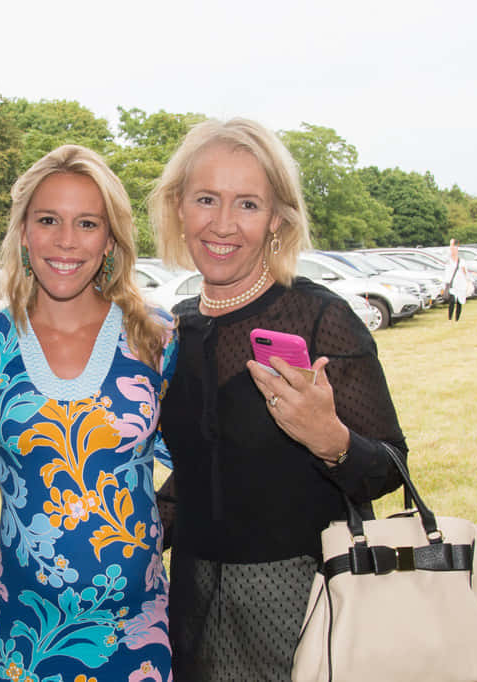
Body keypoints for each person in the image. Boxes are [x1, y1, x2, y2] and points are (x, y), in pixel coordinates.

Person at [148, 118, 407, 680]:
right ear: (178, 208)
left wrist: (331, 440)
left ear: (277, 220)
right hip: (192, 609)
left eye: (247, 204)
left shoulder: (320, 319)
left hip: (301, 604)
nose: (222, 224)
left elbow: (390, 468)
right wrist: (128, 538)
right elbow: (199, 475)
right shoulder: (178, 330)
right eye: (206, 199)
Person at [0, 145, 177, 681]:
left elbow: (202, 467)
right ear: (23, 232)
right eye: (48, 220)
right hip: (25, 639)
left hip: (137, 632)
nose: (65, 241)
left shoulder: (155, 337)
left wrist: (142, 546)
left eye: (87, 223)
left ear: (110, 239)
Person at [444, 239, 473, 321]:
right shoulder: (449, 261)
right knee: (452, 301)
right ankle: (450, 318)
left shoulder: (462, 262)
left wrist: (468, 281)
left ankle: (457, 318)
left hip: (461, 284)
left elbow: (465, 272)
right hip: (452, 284)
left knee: (459, 302)